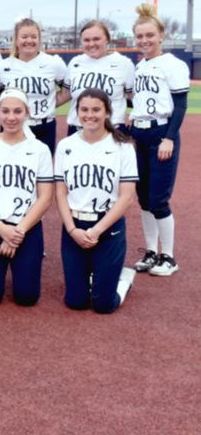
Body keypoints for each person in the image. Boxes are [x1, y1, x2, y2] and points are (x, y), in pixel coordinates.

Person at [54, 88, 138, 314]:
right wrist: (72, 230)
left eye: (96, 110)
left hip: (108, 228)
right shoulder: (66, 146)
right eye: (84, 109)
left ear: (107, 112)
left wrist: (96, 231)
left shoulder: (124, 147)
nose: (89, 115)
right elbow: (60, 193)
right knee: (76, 302)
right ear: (76, 112)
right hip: (74, 227)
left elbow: (127, 197)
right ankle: (97, 274)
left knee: (103, 305)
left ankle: (124, 280)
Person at [0, 88, 53, 306]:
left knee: (27, 298)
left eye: (18, 111)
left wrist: (17, 232)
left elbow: (45, 198)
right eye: (5, 111)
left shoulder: (40, 150)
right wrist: (1, 228)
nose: (11, 117)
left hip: (27, 228)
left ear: (27, 112)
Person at [129, 3, 190, 276]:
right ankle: (151, 251)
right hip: (138, 133)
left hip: (160, 134)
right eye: (140, 36)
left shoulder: (172, 64)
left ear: (161, 34)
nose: (144, 40)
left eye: (150, 35)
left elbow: (180, 105)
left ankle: (169, 257)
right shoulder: (140, 65)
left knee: (159, 200)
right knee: (143, 199)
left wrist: (169, 139)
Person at [0, 18, 66, 154]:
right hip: (13, 126)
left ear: (39, 39)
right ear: (16, 39)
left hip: (44, 127)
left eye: (34, 36)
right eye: (24, 36)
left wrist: (48, 104)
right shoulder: (3, 66)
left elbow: (67, 91)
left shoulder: (54, 63)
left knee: (42, 171)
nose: (29, 40)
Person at [59, 21, 134, 136]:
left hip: (111, 131)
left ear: (107, 40)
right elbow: (65, 95)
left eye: (96, 39)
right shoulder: (75, 63)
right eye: (86, 40)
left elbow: (136, 99)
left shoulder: (124, 64)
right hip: (77, 131)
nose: (91, 44)